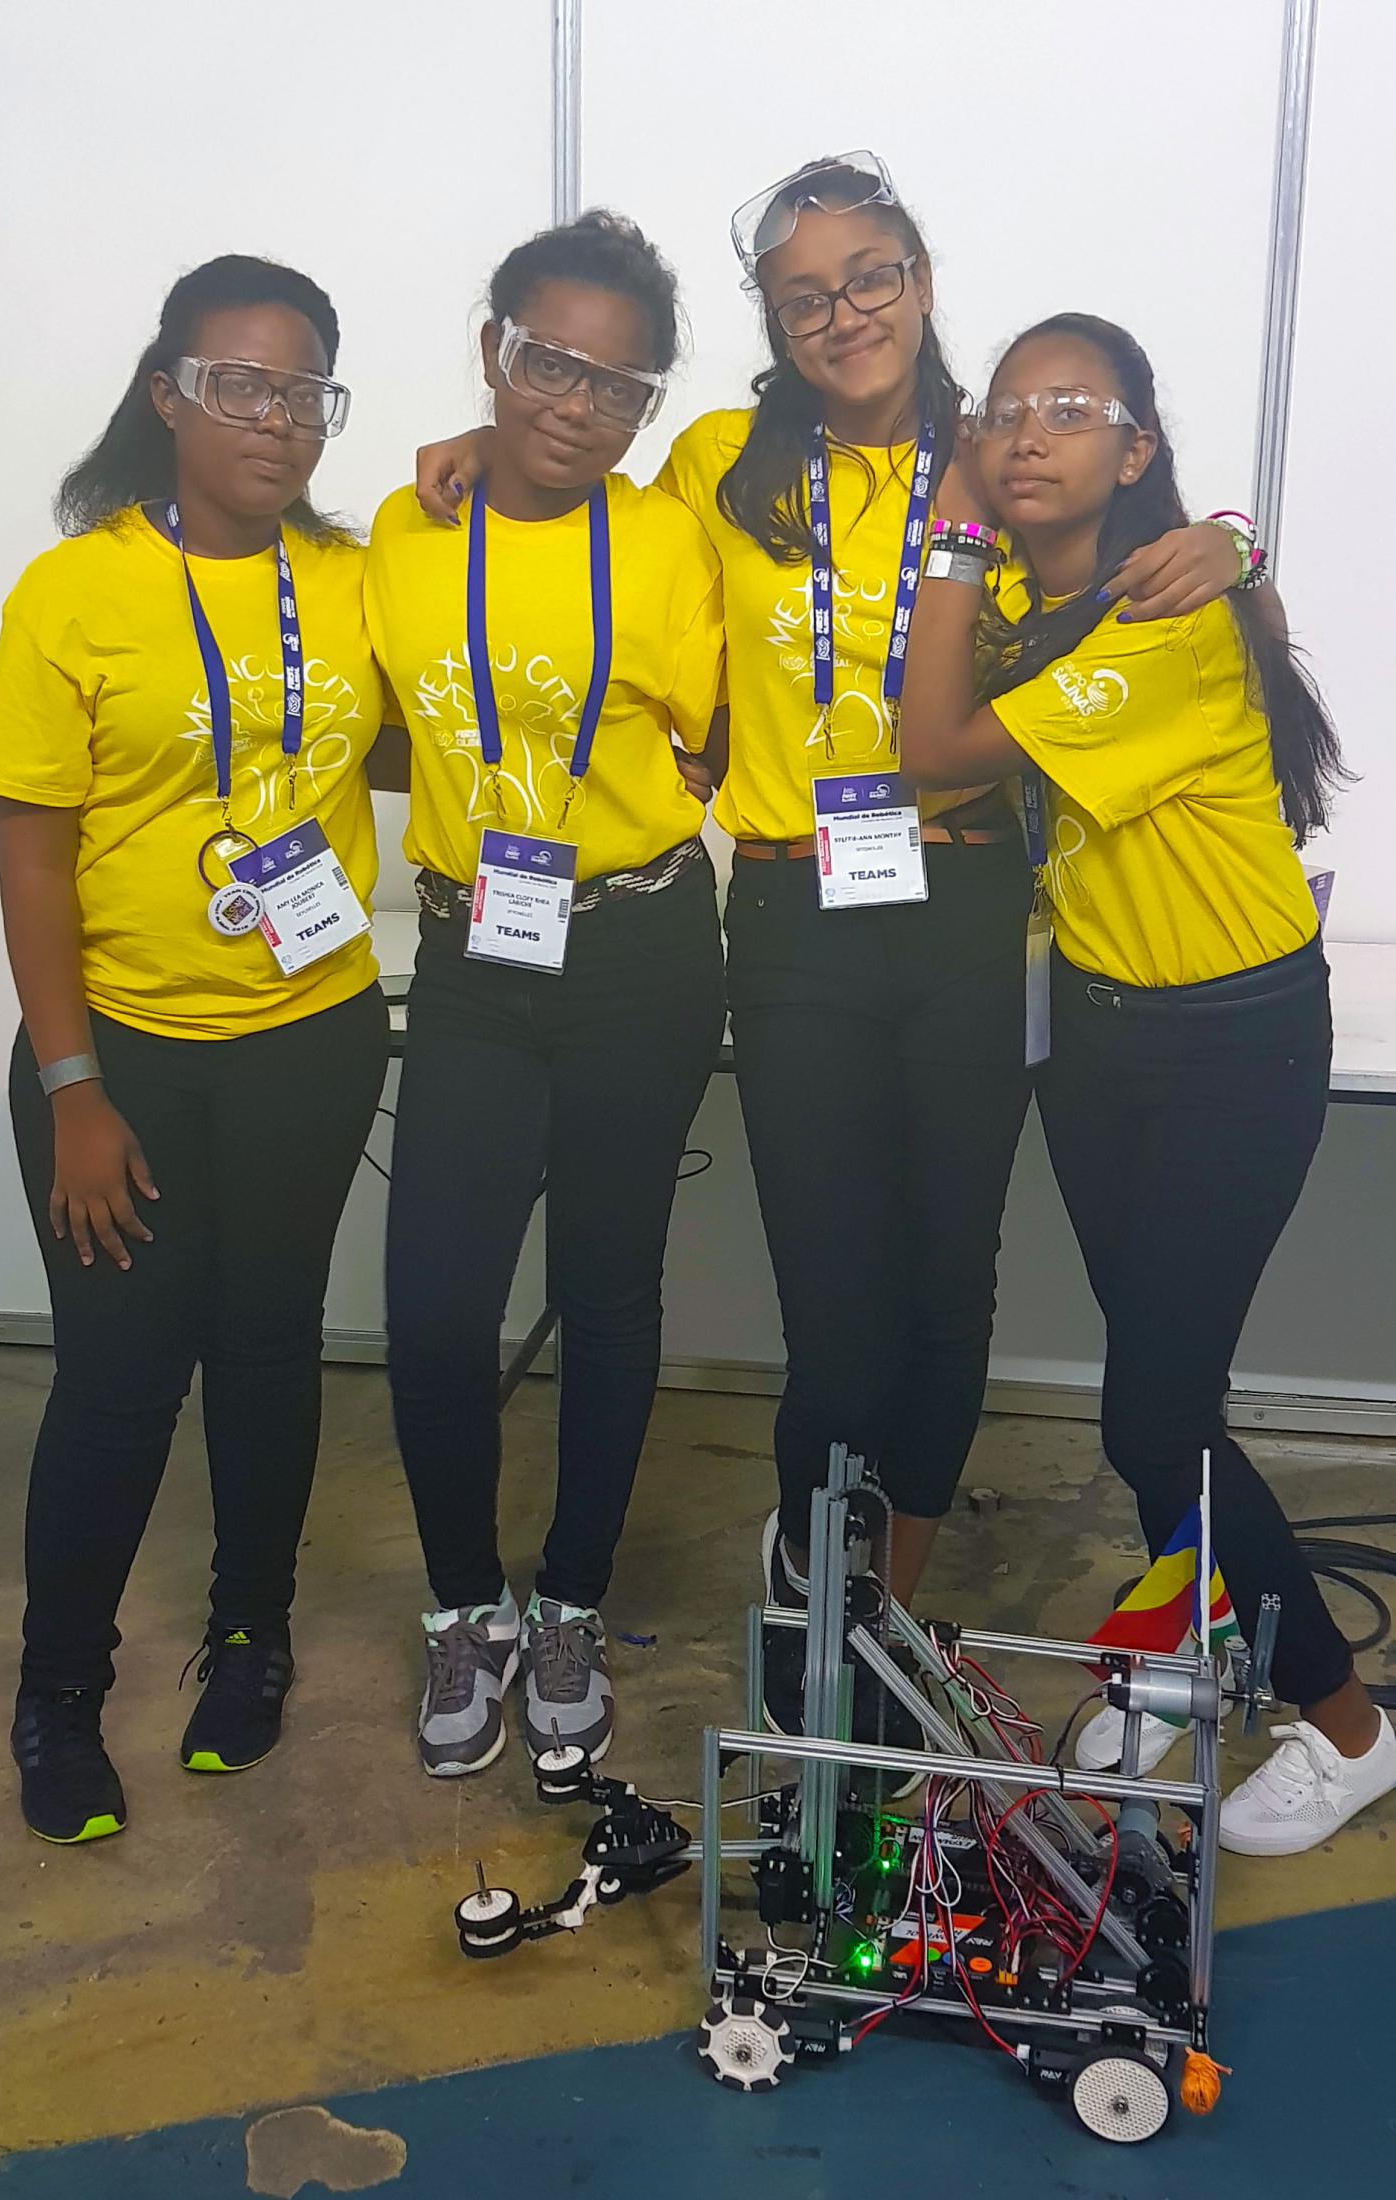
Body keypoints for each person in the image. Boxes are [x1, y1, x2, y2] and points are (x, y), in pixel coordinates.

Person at [413, 156, 1243, 1736]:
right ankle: (816, 1606)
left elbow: (1145, 525)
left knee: (951, 1283)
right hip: (796, 915)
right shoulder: (723, 461)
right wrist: (483, 442)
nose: (842, 313)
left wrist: (1242, 539)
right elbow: (562, 508)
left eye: (870, 278)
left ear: (920, 277)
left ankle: (894, 1611)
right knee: (839, 1314)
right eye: (805, 296)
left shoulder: (994, 453)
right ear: (774, 324)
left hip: (968, 903)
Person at [896, 310, 1396, 1855]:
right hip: (1101, 1039)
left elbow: (932, 745)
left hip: (1229, 1040)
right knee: (1154, 1394)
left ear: (1137, 447)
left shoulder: (1169, 620)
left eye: (1073, 407)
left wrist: (957, 540)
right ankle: (1194, 1634)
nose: (1031, 428)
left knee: (1152, 1410)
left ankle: (1347, 1724)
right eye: (1006, 408)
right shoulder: (1088, 606)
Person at [0, 255, 396, 1843]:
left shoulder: (350, 578)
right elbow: (30, 857)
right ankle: (59, 1691)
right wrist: (75, 1088)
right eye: (242, 385)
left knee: (271, 1347)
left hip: (310, 1035)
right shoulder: (73, 590)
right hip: (125, 1055)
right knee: (116, 1381)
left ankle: (250, 1640)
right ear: (168, 392)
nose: (278, 421)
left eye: (307, 392)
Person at [364, 213, 726, 1777]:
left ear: (649, 404)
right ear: (494, 350)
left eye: (618, 383)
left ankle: (569, 1595)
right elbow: (383, 727)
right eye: (548, 363)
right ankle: (465, 1606)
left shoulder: (671, 537)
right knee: (437, 1302)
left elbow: (708, 740)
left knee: (609, 1284)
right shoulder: (403, 525)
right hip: (477, 956)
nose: (577, 406)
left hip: (640, 946)